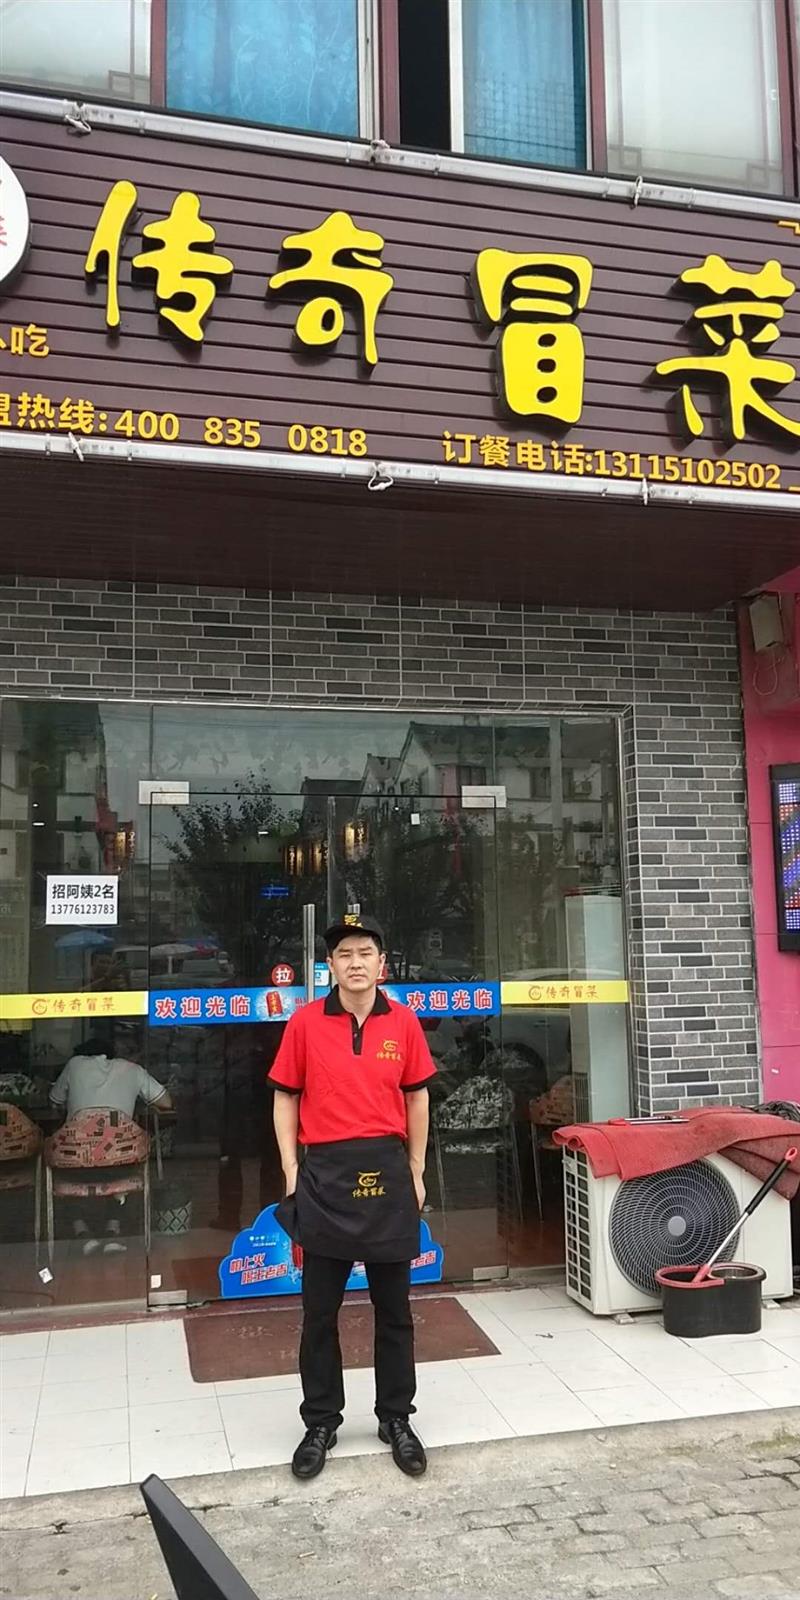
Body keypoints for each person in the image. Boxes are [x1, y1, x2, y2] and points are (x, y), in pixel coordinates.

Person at [269, 916, 436, 1481]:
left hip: (388, 1173)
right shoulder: (305, 1023)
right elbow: (285, 1097)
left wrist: (416, 1168)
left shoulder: (404, 1022)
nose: (356, 962)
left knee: (395, 1311)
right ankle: (321, 1421)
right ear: (331, 966)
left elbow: (417, 1098)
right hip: (324, 1178)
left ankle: (396, 1418)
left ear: (381, 964)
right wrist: (292, 1171)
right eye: (345, 954)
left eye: (366, 952)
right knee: (319, 1313)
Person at [50, 1035, 172, 1255]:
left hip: (76, 1166)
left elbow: (54, 1101)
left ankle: (81, 1233)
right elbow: (166, 1102)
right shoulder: (132, 1070)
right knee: (121, 1158)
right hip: (121, 1164)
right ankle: (113, 1230)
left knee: (61, 1161)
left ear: (83, 1055)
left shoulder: (74, 1065)